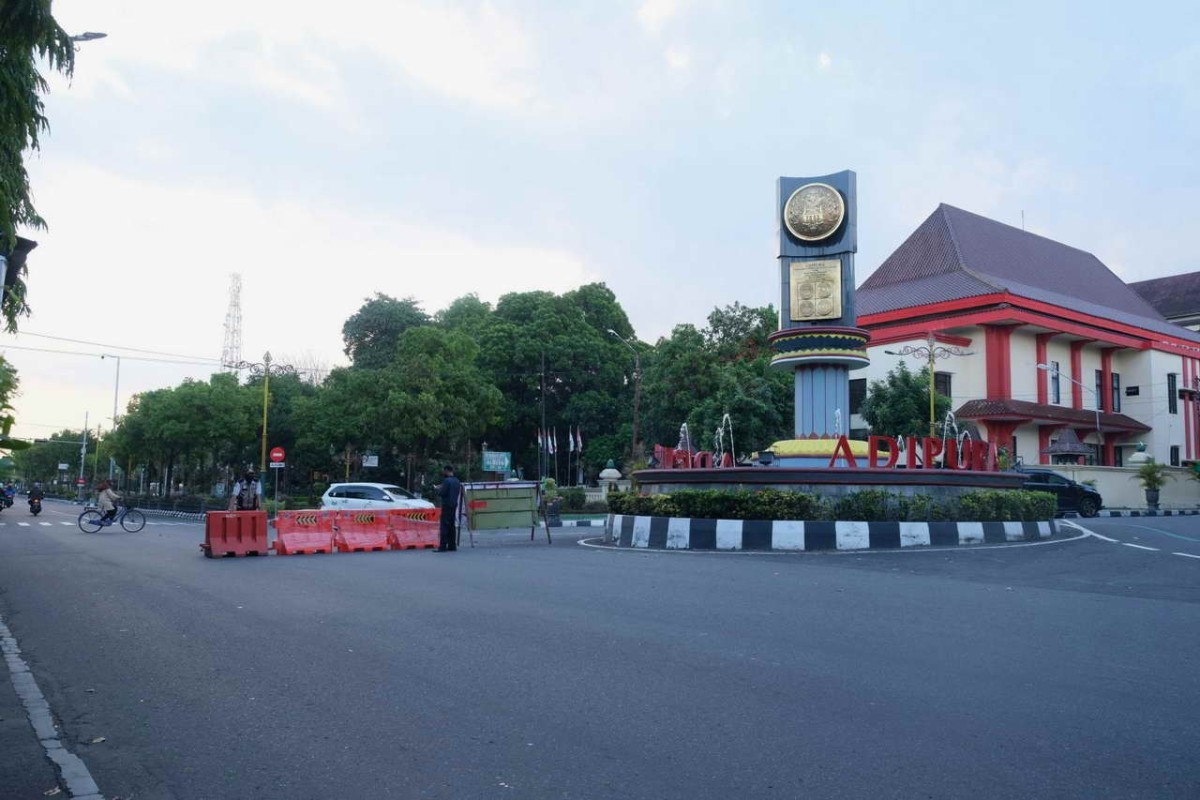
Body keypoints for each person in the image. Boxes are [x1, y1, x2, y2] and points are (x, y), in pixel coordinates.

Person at [435, 464, 462, 552]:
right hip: (454, 505)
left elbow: (442, 493)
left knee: (444, 526)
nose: (443, 472)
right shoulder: (457, 481)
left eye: (444, 471)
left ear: (446, 470)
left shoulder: (446, 481)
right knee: (452, 526)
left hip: (446, 505)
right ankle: (452, 545)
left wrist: (438, 489)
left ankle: (442, 546)